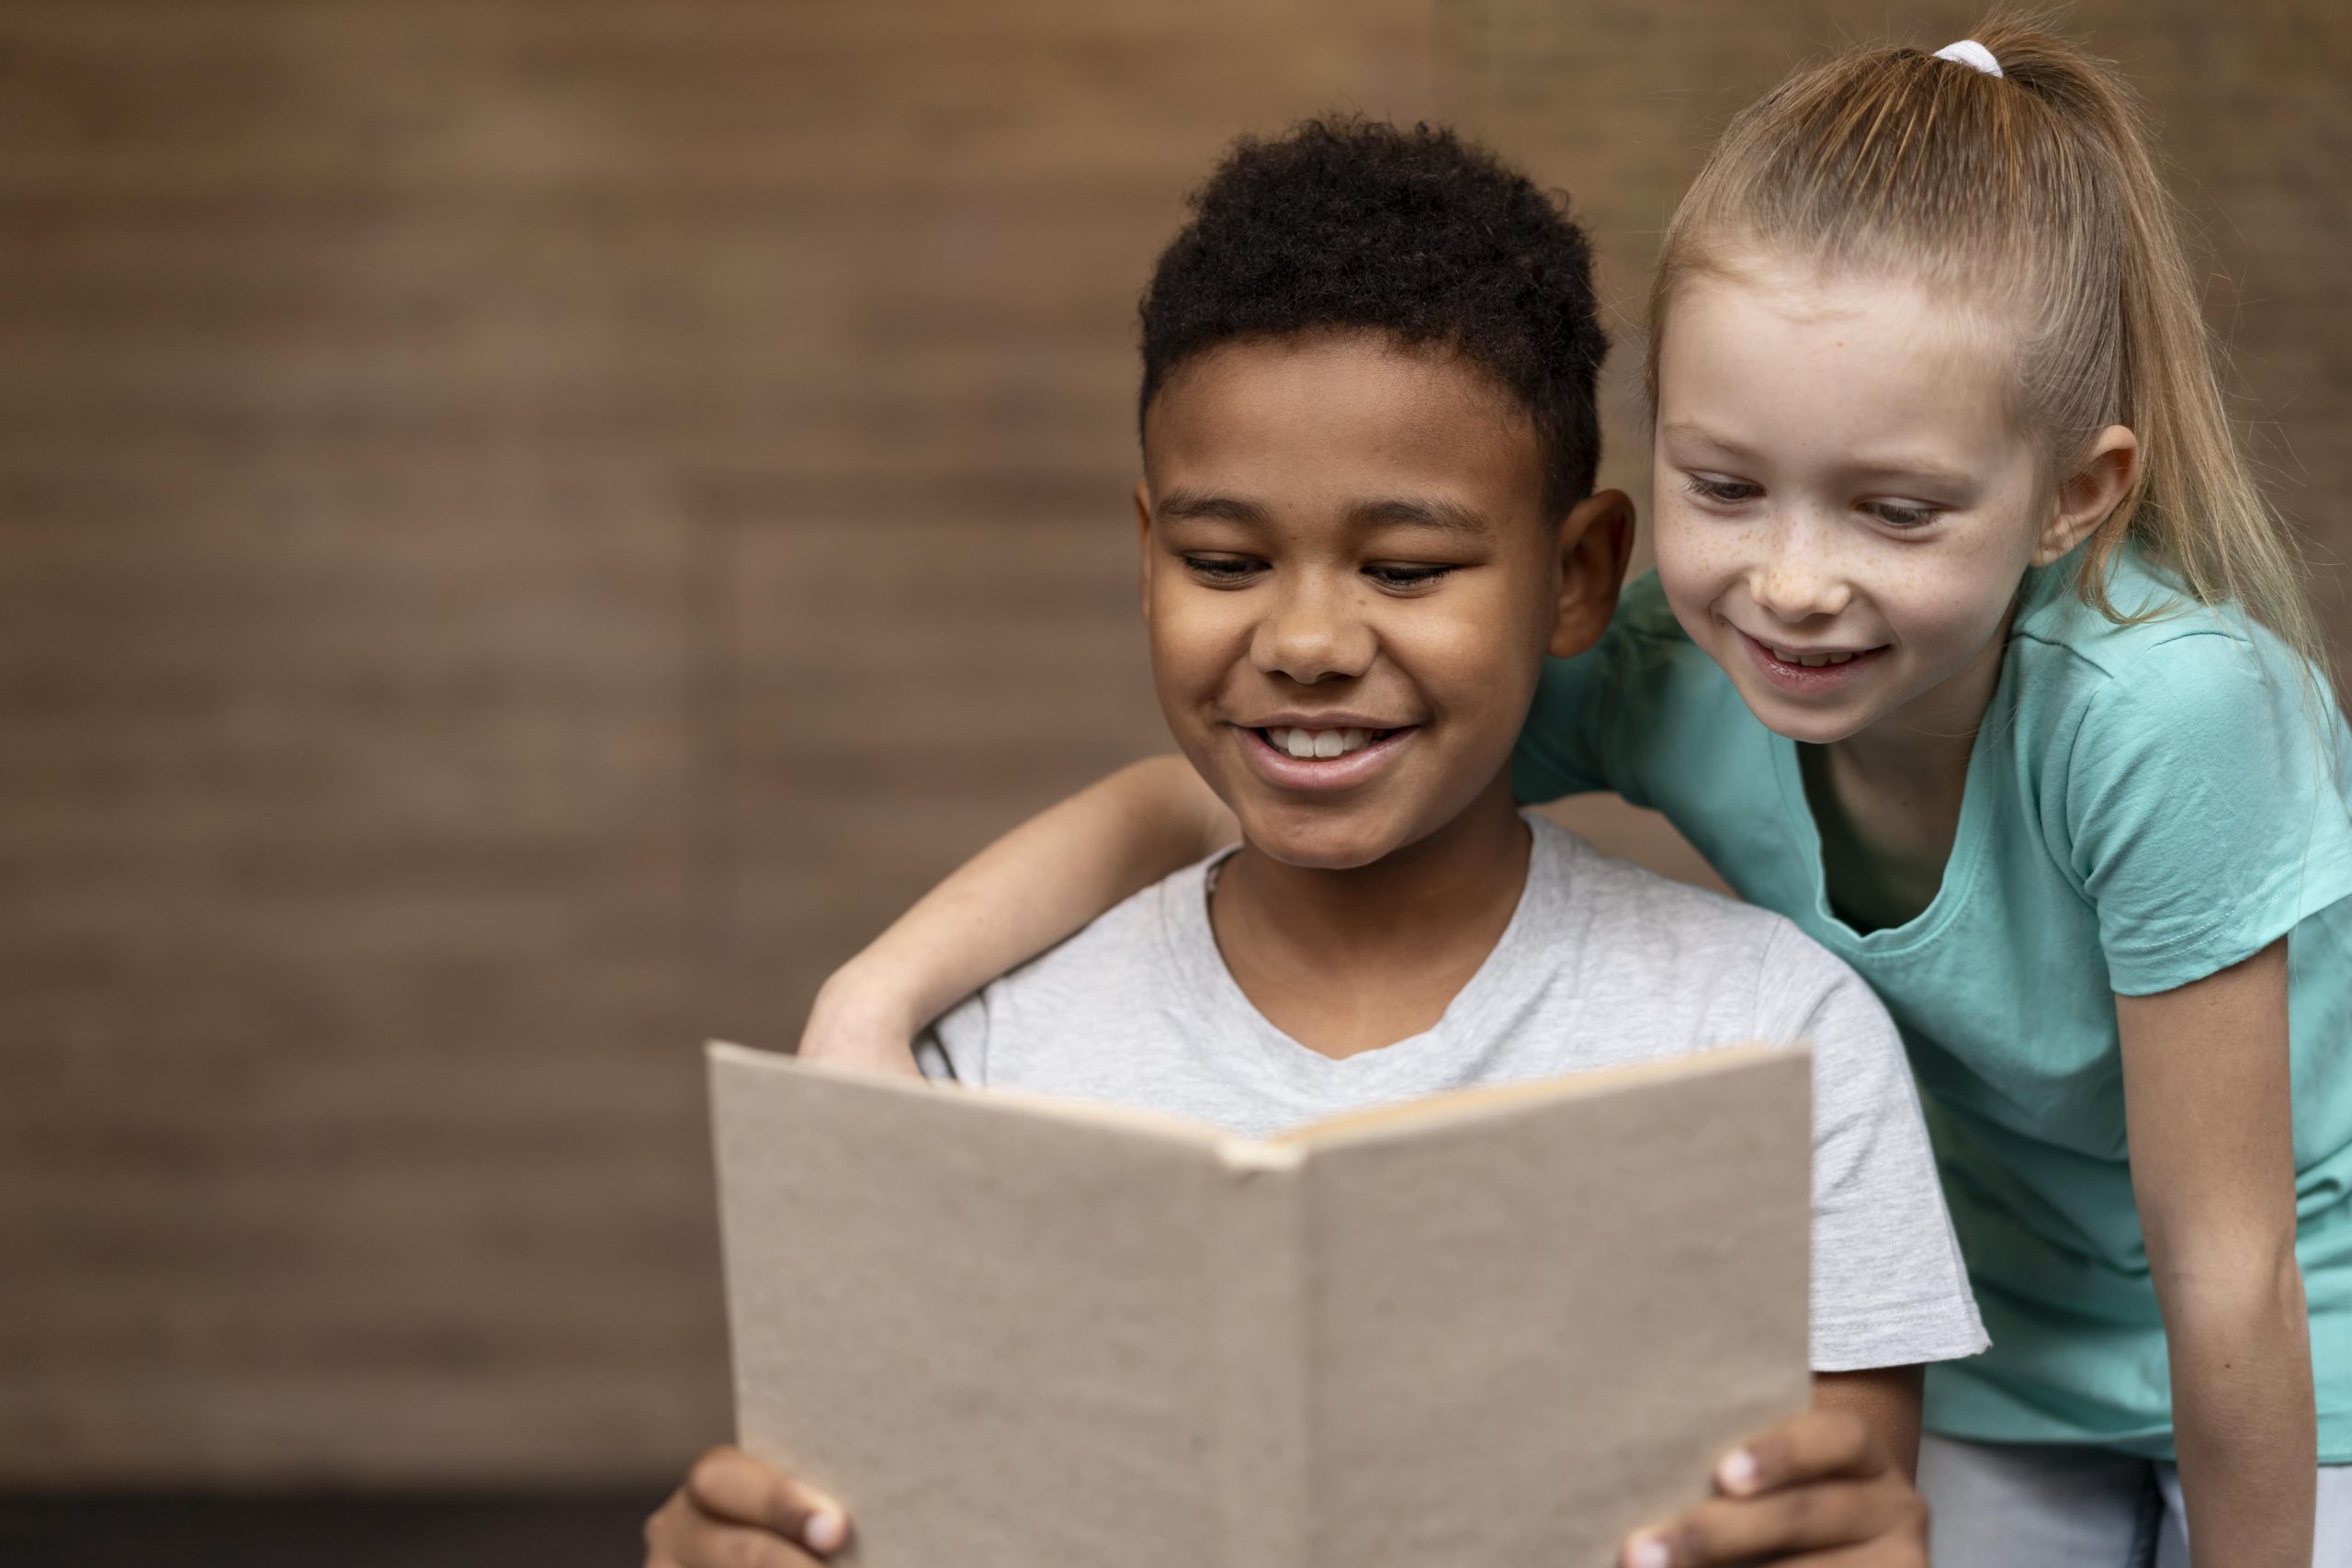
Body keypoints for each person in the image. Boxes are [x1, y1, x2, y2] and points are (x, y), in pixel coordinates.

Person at [798, 24, 2352, 1568]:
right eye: (1726, 486)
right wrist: (871, 1007)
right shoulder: (1673, 660)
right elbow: (1194, 803)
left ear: (2076, 496)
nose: (1793, 586)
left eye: (1894, 509)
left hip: (2302, 1328)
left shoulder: (2171, 716)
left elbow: (2232, 1264)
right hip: (2010, 1352)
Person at [647, 118, 1990, 1568]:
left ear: (1580, 574)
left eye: (1407, 570)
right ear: (1147, 550)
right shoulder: (978, 1065)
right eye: (1222, 563)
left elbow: (1831, 1507)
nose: (1301, 643)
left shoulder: (1773, 1045)